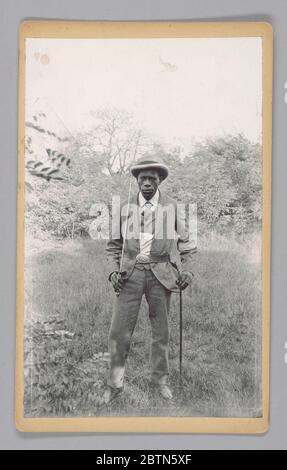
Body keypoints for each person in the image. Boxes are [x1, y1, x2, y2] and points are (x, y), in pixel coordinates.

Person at [103, 156, 197, 404]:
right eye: (142, 178)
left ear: (160, 181)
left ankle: (159, 382)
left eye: (152, 179)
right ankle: (114, 383)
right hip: (129, 276)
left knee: (161, 332)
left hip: (161, 275)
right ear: (136, 181)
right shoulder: (124, 208)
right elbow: (113, 246)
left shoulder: (172, 207)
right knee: (118, 332)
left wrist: (187, 270)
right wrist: (113, 272)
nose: (146, 183)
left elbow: (187, 243)